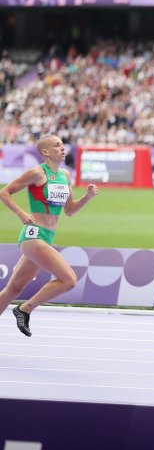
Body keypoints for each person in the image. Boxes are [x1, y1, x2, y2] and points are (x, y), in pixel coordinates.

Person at [0, 135, 98, 337]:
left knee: (14, 288)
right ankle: (25, 309)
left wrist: (87, 198)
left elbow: (69, 210)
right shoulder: (37, 173)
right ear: (45, 152)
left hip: (47, 237)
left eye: (63, 145)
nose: (62, 148)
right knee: (69, 280)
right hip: (33, 235)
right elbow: (5, 192)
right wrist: (21, 214)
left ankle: (22, 307)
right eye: (57, 145)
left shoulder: (65, 175)